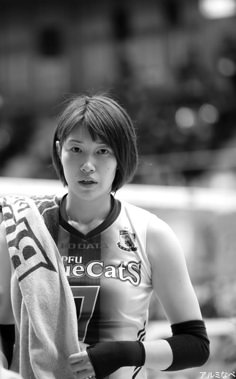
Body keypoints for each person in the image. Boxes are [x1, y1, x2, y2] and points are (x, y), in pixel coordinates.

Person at [0, 94, 210, 379]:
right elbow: (3, 330)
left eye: (103, 151)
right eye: (76, 149)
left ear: (121, 156)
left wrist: (125, 353)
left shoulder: (151, 233)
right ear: (59, 151)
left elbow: (195, 346)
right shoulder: (20, 232)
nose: (88, 164)